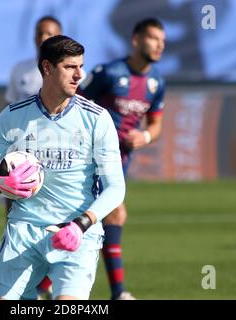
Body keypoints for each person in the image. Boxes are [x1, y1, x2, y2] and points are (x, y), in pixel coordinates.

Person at [0, 35, 125, 300]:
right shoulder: (11, 117)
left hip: (76, 234)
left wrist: (80, 225)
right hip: (23, 231)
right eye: (70, 67)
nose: (80, 75)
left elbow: (115, 189)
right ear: (47, 68)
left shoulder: (97, 119)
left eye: (81, 66)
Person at [79, 18, 166, 300]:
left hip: (120, 161)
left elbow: (155, 124)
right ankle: (119, 292)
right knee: (114, 213)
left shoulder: (156, 83)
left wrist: (146, 138)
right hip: (89, 157)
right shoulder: (109, 72)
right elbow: (74, 104)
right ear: (136, 39)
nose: (159, 45)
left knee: (96, 218)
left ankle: (42, 287)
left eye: (162, 40)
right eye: (153, 38)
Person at [4, 15, 62, 299]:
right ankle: (24, 279)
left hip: (56, 156)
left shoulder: (69, 72)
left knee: (53, 219)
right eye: (40, 32)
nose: (44, 37)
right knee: (16, 220)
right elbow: (9, 110)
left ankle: (46, 284)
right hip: (20, 156)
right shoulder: (21, 70)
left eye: (50, 33)